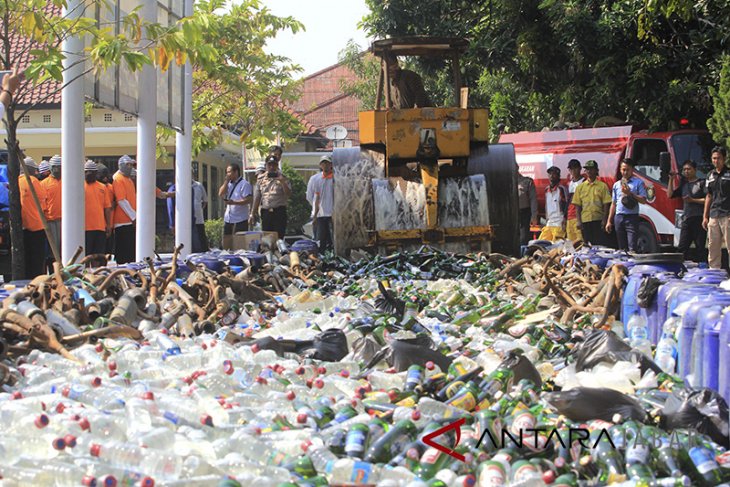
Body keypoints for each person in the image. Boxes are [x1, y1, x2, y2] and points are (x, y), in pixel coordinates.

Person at [667, 160, 707, 262]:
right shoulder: (683, 184)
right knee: (682, 247)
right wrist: (671, 179)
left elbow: (707, 200)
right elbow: (670, 195)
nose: (686, 171)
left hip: (699, 219)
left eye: (689, 169)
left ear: (695, 170)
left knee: (700, 247)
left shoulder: (701, 183)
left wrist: (692, 200)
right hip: (686, 219)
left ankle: (701, 268)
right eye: (684, 169)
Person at [606, 158, 648, 252]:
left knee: (632, 246)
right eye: (623, 169)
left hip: (632, 217)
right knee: (621, 247)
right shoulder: (616, 185)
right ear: (620, 170)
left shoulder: (638, 183)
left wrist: (630, 194)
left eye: (627, 170)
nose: (625, 172)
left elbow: (643, 200)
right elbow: (613, 203)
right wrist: (609, 221)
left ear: (632, 170)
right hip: (619, 217)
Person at [18, 157, 48, 278]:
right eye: (35, 170)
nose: (37, 173)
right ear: (30, 169)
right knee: (37, 260)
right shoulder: (32, 181)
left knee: (26, 259)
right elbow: (43, 197)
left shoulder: (15, 182)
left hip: (23, 226)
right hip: (36, 226)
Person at [250, 155, 291, 239]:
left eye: (274, 165)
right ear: (266, 166)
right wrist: (252, 213)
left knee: (279, 238)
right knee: (267, 239)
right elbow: (257, 197)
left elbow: (288, 194)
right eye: (269, 165)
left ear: (277, 165)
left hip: (279, 212)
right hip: (266, 212)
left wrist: (282, 182)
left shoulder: (283, 178)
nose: (272, 167)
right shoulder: (260, 179)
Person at [572, 160, 612, 246]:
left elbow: (606, 205)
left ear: (597, 170)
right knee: (587, 245)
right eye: (587, 169)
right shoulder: (580, 187)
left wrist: (605, 220)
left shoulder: (602, 186)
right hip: (585, 221)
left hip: (598, 220)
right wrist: (579, 221)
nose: (589, 171)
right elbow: (578, 206)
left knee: (600, 245)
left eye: (592, 169)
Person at [703, 146, 730, 269]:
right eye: (714, 158)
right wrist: (705, 216)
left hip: (727, 215)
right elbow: (708, 195)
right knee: (713, 247)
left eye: (718, 158)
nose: (716, 161)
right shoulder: (710, 175)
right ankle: (714, 273)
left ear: (724, 159)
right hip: (714, 215)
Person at [167, 175, 209, 253]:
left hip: (193, 222)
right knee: (183, 247)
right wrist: (172, 224)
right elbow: (171, 207)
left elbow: (200, 203)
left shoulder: (193, 188)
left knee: (197, 246)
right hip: (180, 224)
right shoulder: (174, 189)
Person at [84, 160, 112, 256]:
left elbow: (107, 208)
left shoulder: (102, 187)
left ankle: (97, 271)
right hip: (84, 228)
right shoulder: (80, 186)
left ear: (96, 173)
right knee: (86, 255)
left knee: (98, 255)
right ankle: (85, 272)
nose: (88, 174)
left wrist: (108, 225)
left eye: (91, 172)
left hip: (100, 227)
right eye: (86, 171)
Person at [112, 155, 137, 264]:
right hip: (122, 221)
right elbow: (121, 200)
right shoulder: (117, 178)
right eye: (128, 164)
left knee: (131, 252)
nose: (130, 167)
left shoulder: (128, 180)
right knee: (123, 253)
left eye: (131, 164)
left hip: (129, 221)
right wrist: (134, 217)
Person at [219, 163, 252, 243]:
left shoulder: (244, 184)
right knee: (227, 243)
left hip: (240, 219)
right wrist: (226, 182)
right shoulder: (228, 184)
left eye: (229, 172)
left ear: (236, 172)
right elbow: (220, 194)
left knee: (239, 244)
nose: (227, 174)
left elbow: (248, 200)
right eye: (227, 172)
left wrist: (234, 202)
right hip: (228, 219)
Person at [41, 154, 62, 266]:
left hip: (65, 220)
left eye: (60, 167)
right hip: (50, 220)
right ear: (51, 168)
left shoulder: (67, 181)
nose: (58, 170)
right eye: (55, 167)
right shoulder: (44, 184)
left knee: (64, 249)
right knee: (52, 251)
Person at [538, 166, 569, 241]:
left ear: (558, 176)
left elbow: (567, 204)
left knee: (556, 245)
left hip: (559, 222)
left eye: (554, 174)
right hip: (549, 222)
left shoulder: (561, 189)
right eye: (550, 174)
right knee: (541, 243)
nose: (551, 176)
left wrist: (565, 220)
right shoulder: (546, 190)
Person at [313, 155, 334, 251]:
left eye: (327, 163)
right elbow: (317, 198)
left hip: (333, 214)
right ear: (320, 165)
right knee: (321, 240)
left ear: (331, 164)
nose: (325, 165)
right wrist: (315, 215)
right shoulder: (317, 180)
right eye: (323, 163)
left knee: (333, 240)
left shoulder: (335, 179)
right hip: (321, 215)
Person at [96, 163, 115, 254]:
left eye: (106, 176)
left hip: (109, 223)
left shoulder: (110, 187)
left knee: (107, 251)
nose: (105, 179)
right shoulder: (96, 187)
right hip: (98, 223)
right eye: (102, 176)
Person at [517, 164, 538, 246]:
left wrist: (534, 216)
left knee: (524, 238)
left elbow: (533, 199)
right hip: (511, 214)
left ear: (517, 168)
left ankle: (524, 256)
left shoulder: (527, 181)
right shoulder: (506, 182)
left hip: (524, 213)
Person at [565, 159, 584, 243]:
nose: (573, 171)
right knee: (571, 244)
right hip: (569, 217)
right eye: (571, 169)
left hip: (579, 217)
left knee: (581, 242)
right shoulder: (569, 184)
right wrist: (564, 217)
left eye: (575, 168)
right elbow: (567, 202)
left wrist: (580, 220)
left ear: (580, 168)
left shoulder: (584, 182)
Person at [306, 162, 323, 240]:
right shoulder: (315, 178)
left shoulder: (335, 178)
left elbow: (309, 197)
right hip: (319, 215)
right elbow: (310, 197)